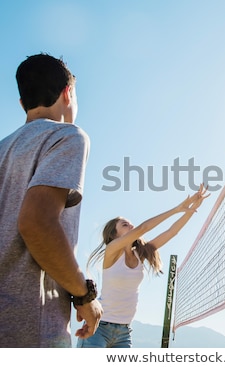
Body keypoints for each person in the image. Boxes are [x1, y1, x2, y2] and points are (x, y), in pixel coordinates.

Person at [0, 53, 103, 347]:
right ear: (67, 93)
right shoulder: (68, 136)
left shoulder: (3, 148)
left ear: (22, 104)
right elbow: (36, 223)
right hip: (31, 328)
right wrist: (84, 295)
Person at [77, 185, 209, 348]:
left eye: (131, 224)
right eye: (125, 225)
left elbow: (171, 232)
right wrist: (177, 209)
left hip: (124, 332)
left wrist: (191, 210)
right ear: (114, 234)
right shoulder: (112, 251)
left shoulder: (140, 254)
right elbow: (143, 228)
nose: (132, 227)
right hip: (99, 327)